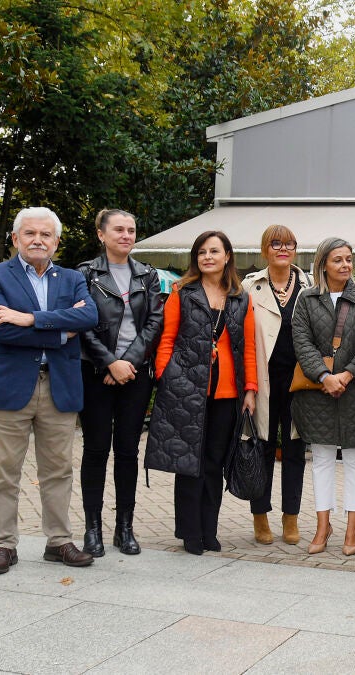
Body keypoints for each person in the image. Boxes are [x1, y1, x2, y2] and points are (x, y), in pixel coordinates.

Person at [0, 206, 98, 574]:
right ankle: (4, 545)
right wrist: (61, 332)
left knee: (58, 470)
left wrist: (28, 318)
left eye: (46, 235)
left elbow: (89, 316)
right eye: (30, 233)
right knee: (3, 472)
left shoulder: (72, 278)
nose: (38, 240)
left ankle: (58, 541)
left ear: (56, 242)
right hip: (9, 388)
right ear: (16, 239)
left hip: (59, 386)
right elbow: (0, 330)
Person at [145, 230, 257, 555]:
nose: (208, 257)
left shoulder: (241, 298)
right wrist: (167, 377)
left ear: (227, 256)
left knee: (213, 463)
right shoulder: (182, 293)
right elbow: (166, 340)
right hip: (186, 390)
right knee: (188, 463)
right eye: (202, 252)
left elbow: (248, 348)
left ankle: (209, 530)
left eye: (214, 251)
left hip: (227, 393)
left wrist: (250, 389)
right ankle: (190, 532)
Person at [76, 209, 163, 557]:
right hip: (95, 372)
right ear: (101, 234)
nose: (126, 235)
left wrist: (129, 362)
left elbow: (154, 322)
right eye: (118, 229)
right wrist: (110, 362)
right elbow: (81, 323)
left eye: (131, 230)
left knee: (127, 450)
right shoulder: (85, 273)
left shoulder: (147, 274)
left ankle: (124, 528)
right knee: (96, 449)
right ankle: (92, 529)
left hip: (136, 374)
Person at [290, 237, 355, 556]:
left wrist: (345, 375)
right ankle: (322, 526)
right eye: (338, 260)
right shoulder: (307, 299)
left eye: (348, 259)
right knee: (322, 460)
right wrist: (324, 376)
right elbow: (302, 342)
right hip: (318, 392)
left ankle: (352, 528)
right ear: (323, 264)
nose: (345, 265)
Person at [243, 225, 311, 546]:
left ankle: (290, 517)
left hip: (299, 380)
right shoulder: (250, 286)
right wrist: (247, 385)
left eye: (289, 244)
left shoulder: (310, 286)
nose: (283, 249)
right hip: (263, 380)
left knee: (295, 449)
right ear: (265, 249)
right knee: (263, 447)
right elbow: (242, 338)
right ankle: (260, 515)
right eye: (276, 244)